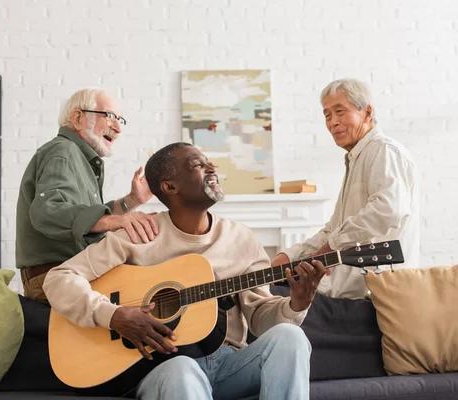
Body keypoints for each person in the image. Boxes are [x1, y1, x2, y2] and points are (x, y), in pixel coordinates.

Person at [43, 142, 326, 400]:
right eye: (198, 165)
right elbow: (59, 278)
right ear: (169, 187)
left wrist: (294, 306)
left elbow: (260, 318)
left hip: (230, 364)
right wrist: (112, 315)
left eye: (209, 163)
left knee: (291, 338)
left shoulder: (241, 239)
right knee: (182, 369)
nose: (211, 168)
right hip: (163, 369)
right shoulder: (140, 234)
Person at [272, 78, 420, 300]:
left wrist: (332, 246)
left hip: (378, 296)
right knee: (276, 300)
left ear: (367, 113)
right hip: (347, 293)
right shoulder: (357, 158)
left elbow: (388, 210)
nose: (333, 122)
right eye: (327, 115)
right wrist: (289, 255)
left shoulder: (384, 151)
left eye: (340, 112)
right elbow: (332, 230)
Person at [16, 88, 158, 304]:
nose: (118, 128)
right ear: (78, 118)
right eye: (110, 116)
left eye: (121, 120)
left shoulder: (77, 157)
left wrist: (132, 201)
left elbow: (84, 219)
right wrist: (117, 221)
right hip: (55, 279)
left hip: (67, 275)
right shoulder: (63, 151)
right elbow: (48, 211)